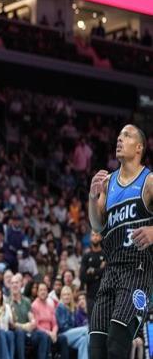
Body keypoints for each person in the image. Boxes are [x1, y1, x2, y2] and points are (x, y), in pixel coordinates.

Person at [88, 125, 153, 359]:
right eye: (118, 136)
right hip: (111, 270)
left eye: (126, 135)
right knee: (96, 348)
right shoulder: (108, 182)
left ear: (139, 148)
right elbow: (97, 225)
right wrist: (92, 196)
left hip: (139, 270)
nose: (119, 139)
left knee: (116, 345)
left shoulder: (149, 181)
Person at [9, 273, 50, 359]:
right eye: (12, 283)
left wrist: (32, 323)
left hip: (28, 331)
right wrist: (24, 326)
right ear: (10, 286)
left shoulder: (26, 301)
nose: (14, 285)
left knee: (43, 335)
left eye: (16, 283)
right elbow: (11, 324)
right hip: (15, 332)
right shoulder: (8, 302)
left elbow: (32, 319)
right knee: (20, 333)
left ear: (21, 284)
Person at [31, 282, 69, 359]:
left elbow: (55, 324)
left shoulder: (50, 306)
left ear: (47, 292)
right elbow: (36, 325)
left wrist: (54, 333)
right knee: (45, 337)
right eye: (41, 290)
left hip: (50, 333)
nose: (43, 292)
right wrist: (49, 333)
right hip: (38, 334)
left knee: (63, 338)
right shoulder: (34, 305)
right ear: (37, 292)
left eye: (45, 290)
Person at [56, 286, 89, 359]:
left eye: (68, 294)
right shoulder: (60, 307)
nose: (66, 297)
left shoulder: (72, 309)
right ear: (61, 296)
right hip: (63, 335)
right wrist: (76, 331)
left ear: (71, 296)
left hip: (72, 335)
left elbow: (75, 325)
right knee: (87, 329)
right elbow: (62, 327)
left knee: (83, 340)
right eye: (64, 295)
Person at [79, 231, 105, 316]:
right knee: (92, 321)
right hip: (90, 295)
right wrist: (99, 271)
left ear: (101, 237)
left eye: (97, 235)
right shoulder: (86, 256)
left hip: (104, 294)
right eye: (93, 235)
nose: (95, 237)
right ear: (90, 238)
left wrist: (93, 271)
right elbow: (82, 276)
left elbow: (107, 273)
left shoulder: (105, 254)